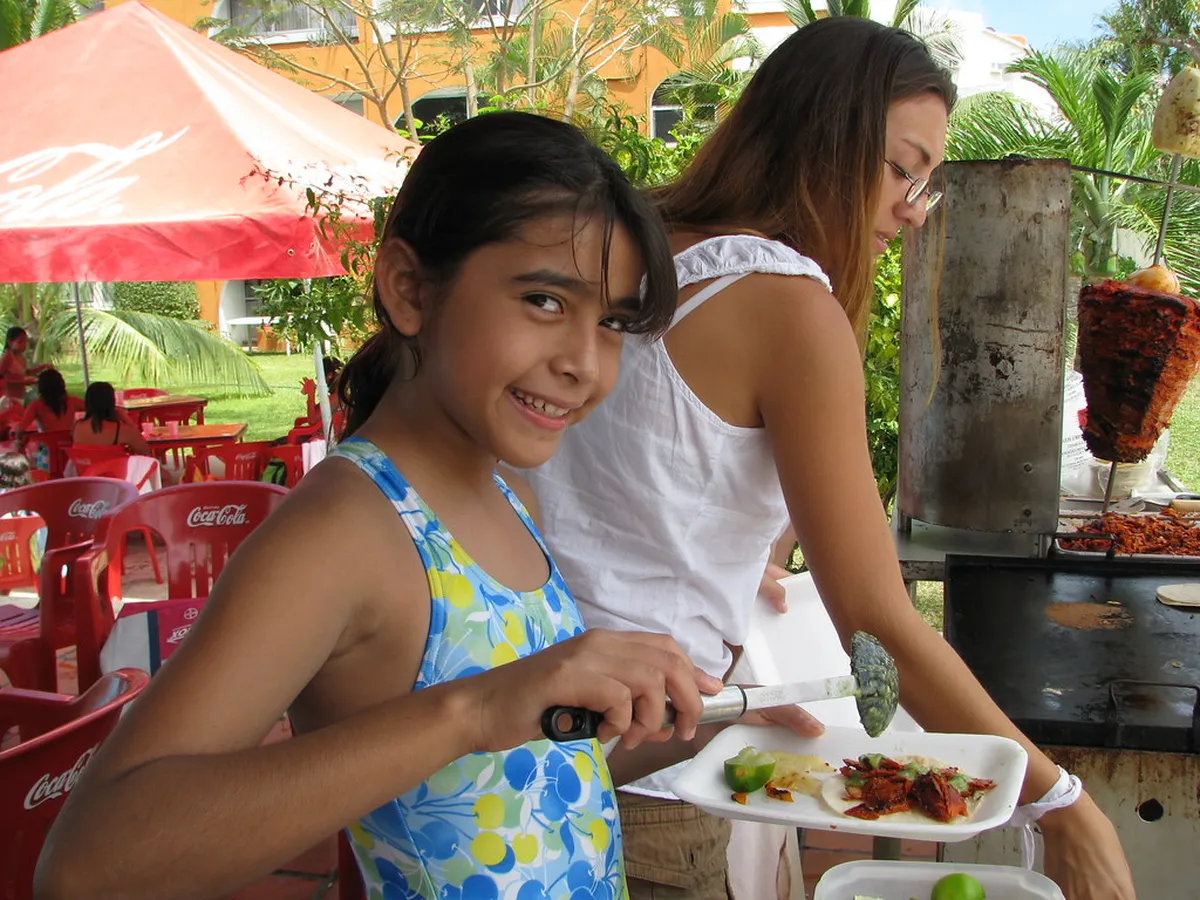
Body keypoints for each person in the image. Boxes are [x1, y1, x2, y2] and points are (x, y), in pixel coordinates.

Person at [34, 112, 773, 900]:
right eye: (545, 302)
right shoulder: (345, 532)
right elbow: (88, 865)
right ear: (410, 290)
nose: (585, 365)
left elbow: (527, 773)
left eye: (614, 323)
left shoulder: (506, 493)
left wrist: (723, 715)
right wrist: (474, 710)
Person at [524, 18, 1136, 900]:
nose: (911, 209)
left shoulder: (638, 239)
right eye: (899, 168)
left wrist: (743, 564)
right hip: (635, 778)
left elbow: (634, 472)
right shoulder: (785, 301)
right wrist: (1061, 803)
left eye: (925, 183)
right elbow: (876, 620)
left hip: (522, 718)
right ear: (825, 135)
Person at [70, 381, 152, 456]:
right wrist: (126, 419)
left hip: (85, 471)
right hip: (115, 471)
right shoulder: (121, 429)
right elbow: (144, 450)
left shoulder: (76, 427)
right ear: (112, 402)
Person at [15, 369, 84, 445]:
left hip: (46, 450)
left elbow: (20, 430)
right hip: (68, 445)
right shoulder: (73, 402)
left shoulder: (35, 406)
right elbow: (95, 408)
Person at [0, 326, 50, 409]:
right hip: (8, 398)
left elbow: (25, 372)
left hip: (20, 396)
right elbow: (2, 379)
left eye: (25, 341)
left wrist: (42, 367)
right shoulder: (7, 356)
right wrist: (22, 382)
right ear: (10, 342)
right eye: (20, 342)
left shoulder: (20, 356)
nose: (24, 345)